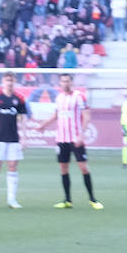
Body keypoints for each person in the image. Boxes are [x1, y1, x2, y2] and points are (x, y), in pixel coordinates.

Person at [38, 73, 102, 210]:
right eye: (63, 81)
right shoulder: (59, 97)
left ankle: (92, 199)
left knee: (83, 167)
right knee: (63, 168)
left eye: (67, 81)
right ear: (60, 83)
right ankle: (67, 200)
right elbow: (56, 115)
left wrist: (82, 134)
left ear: (71, 82)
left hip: (75, 138)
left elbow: (86, 116)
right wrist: (43, 124)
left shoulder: (79, 96)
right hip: (61, 139)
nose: (65, 83)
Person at [0, 71, 28, 209]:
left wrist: (24, 137)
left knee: (13, 166)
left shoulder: (19, 99)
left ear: (15, 82)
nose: (9, 83)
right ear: (3, 82)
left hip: (13, 139)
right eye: (7, 80)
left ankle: (12, 200)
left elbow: (23, 118)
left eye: (12, 80)